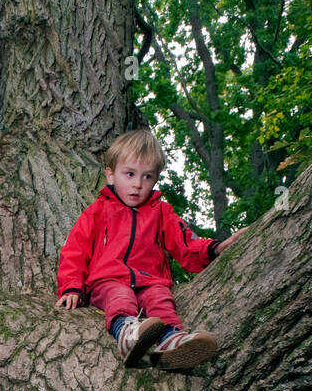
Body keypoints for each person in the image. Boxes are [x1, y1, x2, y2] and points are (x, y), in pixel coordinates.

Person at [55, 129, 244, 368]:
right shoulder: (98, 211)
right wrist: (72, 287)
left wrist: (214, 249)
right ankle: (127, 335)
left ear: (155, 179)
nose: (137, 184)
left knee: (161, 299)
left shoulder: (161, 212)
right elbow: (75, 250)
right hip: (108, 280)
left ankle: (172, 342)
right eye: (130, 174)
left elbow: (185, 243)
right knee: (120, 296)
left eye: (147, 177)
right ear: (111, 176)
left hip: (150, 280)